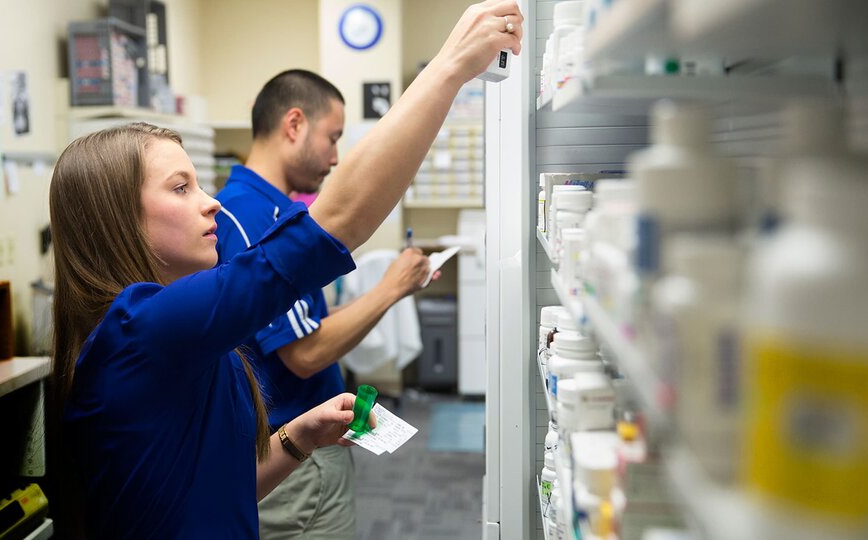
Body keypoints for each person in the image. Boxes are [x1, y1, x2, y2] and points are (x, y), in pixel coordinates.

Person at [47, 2, 522, 538]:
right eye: (181, 189)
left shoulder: (170, 336)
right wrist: (451, 66)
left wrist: (299, 437)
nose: (212, 205)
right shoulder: (141, 329)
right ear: (117, 219)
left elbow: (217, 487)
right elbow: (335, 224)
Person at [215, 69, 434, 539]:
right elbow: (305, 353)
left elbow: (299, 326)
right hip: (294, 457)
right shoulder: (255, 216)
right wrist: (389, 288)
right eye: (332, 137)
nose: (336, 157)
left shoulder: (262, 207)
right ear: (294, 124)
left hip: (296, 446)